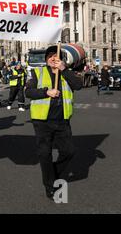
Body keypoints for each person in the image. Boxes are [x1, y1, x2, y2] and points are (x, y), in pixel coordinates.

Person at [25, 45, 82, 199]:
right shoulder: (37, 72)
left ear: (61, 59)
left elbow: (78, 85)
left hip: (62, 120)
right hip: (42, 121)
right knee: (45, 154)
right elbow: (28, 92)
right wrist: (46, 92)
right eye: (49, 56)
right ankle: (49, 186)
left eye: (55, 55)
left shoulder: (66, 73)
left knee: (69, 151)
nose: (52, 58)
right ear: (46, 59)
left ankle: (53, 172)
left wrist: (64, 69)